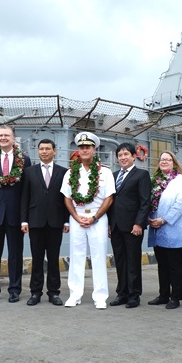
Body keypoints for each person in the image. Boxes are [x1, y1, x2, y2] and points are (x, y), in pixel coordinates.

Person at [61, 132, 115, 309]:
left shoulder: (105, 172)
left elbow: (109, 198)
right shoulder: (70, 173)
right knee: (76, 256)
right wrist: (76, 218)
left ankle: (100, 296)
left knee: (99, 256)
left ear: (94, 149)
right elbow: (67, 198)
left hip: (98, 218)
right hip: (77, 216)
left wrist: (94, 217)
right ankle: (74, 294)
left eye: (88, 147)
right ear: (78, 150)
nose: (84, 150)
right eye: (82, 147)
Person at [0, 125, 31, 303]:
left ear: (13, 138)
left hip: (15, 214)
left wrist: (25, 217)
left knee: (15, 254)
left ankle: (14, 289)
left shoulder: (24, 160)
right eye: (1, 135)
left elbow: (26, 191)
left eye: (6, 135)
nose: (3, 138)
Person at [20, 139, 69, 306]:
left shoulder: (63, 172)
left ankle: (54, 292)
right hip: (35, 221)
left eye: (48, 148)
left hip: (56, 222)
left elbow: (66, 199)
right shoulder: (29, 172)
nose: (44, 151)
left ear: (54, 151)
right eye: (41, 149)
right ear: (38, 151)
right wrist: (24, 220)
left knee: (54, 259)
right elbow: (24, 198)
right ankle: (35, 292)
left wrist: (66, 221)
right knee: (37, 259)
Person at [107, 143, 151, 309]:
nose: (123, 157)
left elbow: (145, 202)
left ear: (134, 156)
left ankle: (134, 295)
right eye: (120, 155)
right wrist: (110, 224)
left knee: (133, 261)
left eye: (126, 154)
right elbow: (110, 202)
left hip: (133, 226)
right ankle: (122, 293)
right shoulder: (113, 175)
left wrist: (139, 223)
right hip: (116, 226)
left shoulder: (142, 175)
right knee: (120, 261)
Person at [147, 151, 182, 309]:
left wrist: (164, 219)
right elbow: (150, 201)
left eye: (168, 159)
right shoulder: (155, 180)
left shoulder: (181, 180)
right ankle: (163, 294)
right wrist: (150, 218)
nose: (164, 161)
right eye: (162, 159)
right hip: (156, 228)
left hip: (173, 228)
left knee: (174, 264)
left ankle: (175, 297)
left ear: (174, 162)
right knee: (162, 264)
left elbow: (181, 204)